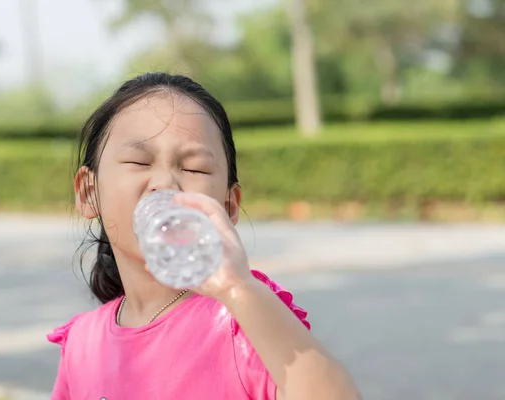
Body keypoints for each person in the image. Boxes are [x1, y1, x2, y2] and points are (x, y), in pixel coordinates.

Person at [48, 72, 360, 400]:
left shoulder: (243, 318)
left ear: (228, 204)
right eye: (139, 161)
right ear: (87, 192)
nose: (165, 183)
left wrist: (238, 289)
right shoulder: (82, 344)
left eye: (195, 169)